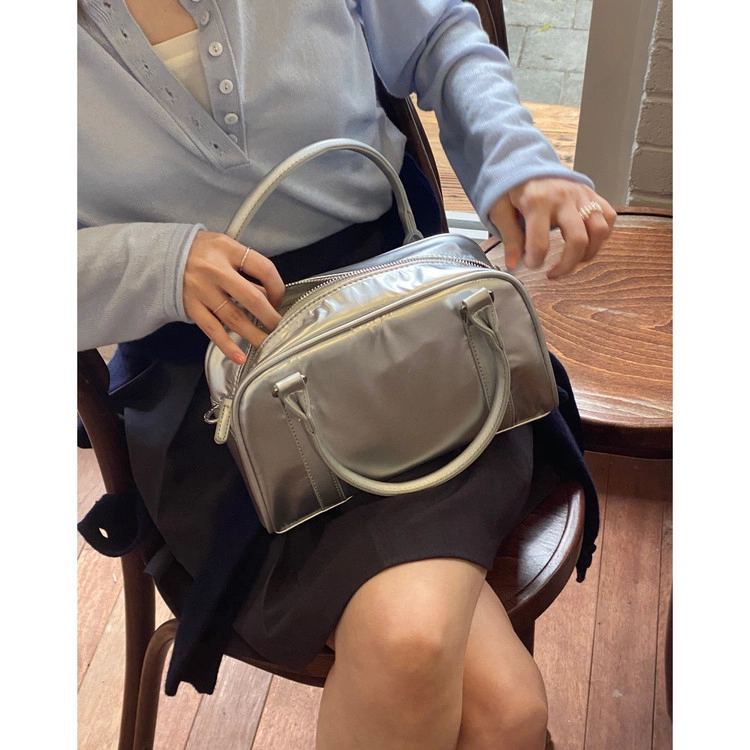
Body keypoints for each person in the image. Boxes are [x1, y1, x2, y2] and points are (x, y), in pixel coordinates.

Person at [77, 1, 616, 748]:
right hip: (214, 400)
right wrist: (158, 264)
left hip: (408, 333)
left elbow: (437, 32)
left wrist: (515, 155)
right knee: (497, 706)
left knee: (477, 691)